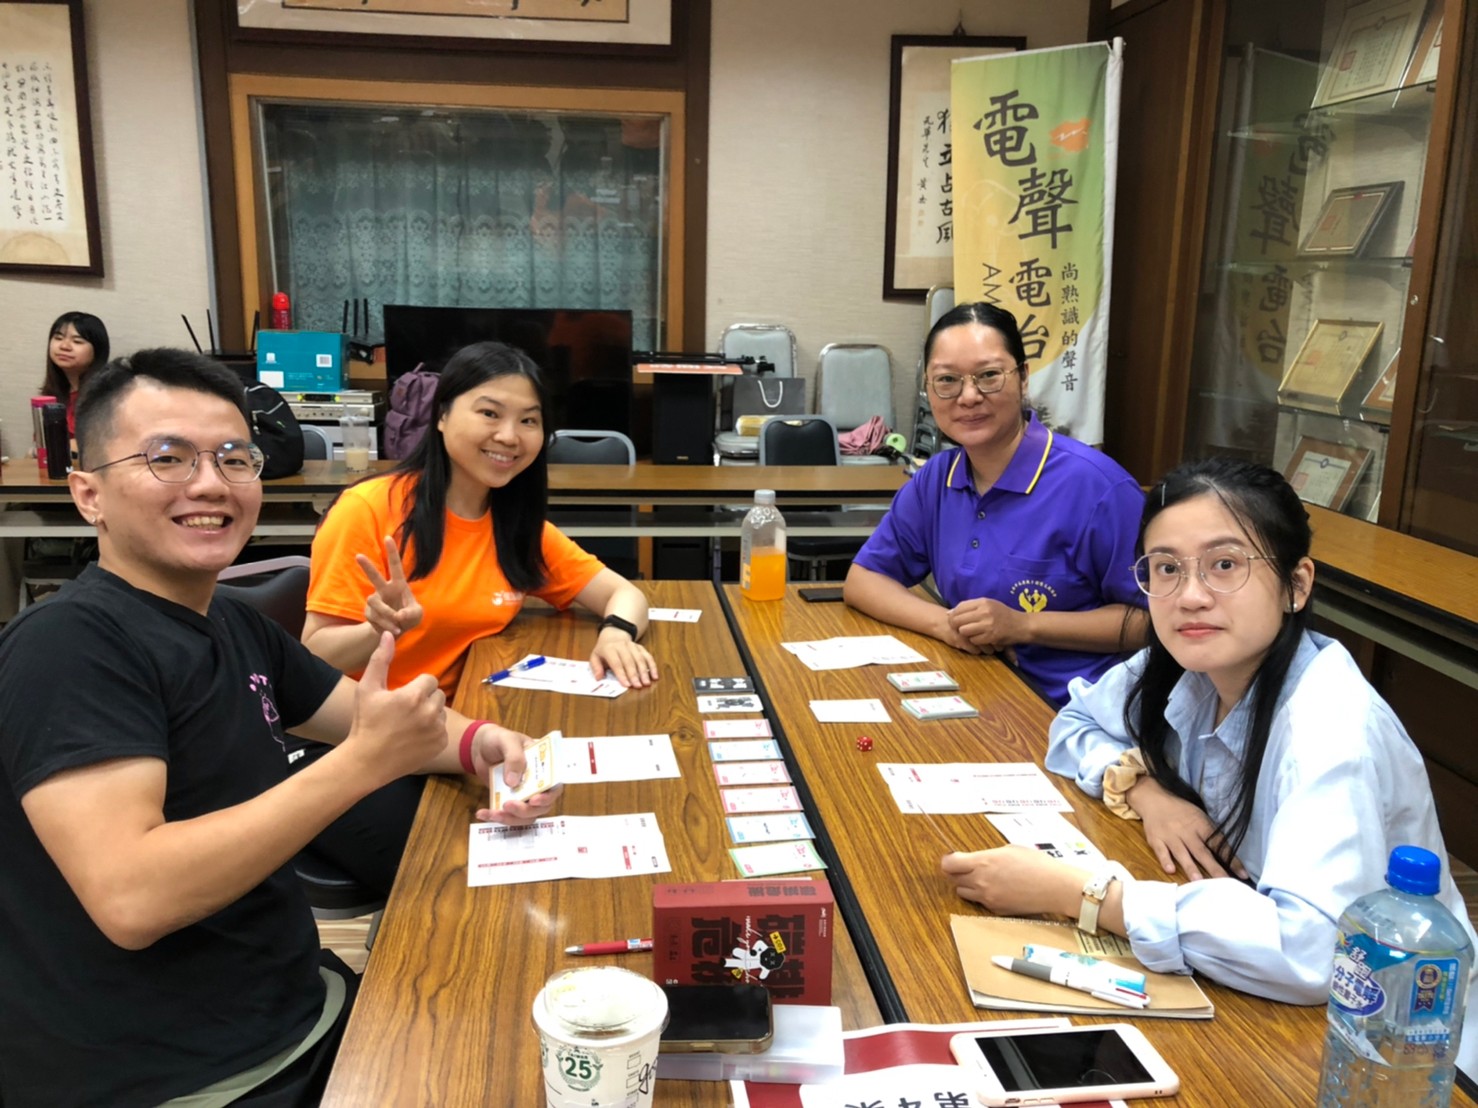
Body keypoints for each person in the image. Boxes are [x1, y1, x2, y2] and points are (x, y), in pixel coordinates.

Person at [0, 348, 556, 1107]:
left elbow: (372, 719)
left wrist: (480, 745)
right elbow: (133, 898)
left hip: (295, 1005)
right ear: (87, 493)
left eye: (234, 458)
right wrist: (362, 764)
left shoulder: (230, 622)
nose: (210, 483)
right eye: (168, 457)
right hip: (183, 1075)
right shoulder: (69, 645)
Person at [940, 457, 1477, 1065]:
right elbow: (1075, 723)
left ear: (1297, 585)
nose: (1191, 596)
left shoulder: (1331, 729)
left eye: (1225, 565)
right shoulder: (1188, 662)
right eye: (1167, 568)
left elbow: (1311, 950)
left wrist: (1084, 895)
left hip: (1394, 1046)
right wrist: (1144, 791)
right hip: (1260, 986)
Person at [300, 339, 656, 894]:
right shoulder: (370, 509)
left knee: (542, 839)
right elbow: (310, 661)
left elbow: (623, 593)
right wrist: (379, 630)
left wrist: (616, 632)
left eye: (528, 420)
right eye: (489, 413)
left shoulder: (515, 525)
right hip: (351, 743)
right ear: (442, 416)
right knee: (456, 880)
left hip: (452, 731)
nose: (510, 436)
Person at [843, 302, 1146, 704]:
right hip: (974, 689)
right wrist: (945, 624)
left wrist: (1024, 626)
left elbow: (1150, 622)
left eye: (988, 376)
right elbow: (863, 580)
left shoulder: (1099, 487)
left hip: (1070, 710)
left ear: (1023, 378)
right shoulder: (937, 478)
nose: (968, 396)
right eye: (947, 380)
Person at [40, 309, 110, 434]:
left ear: (97, 350)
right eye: (58, 338)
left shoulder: (106, 396)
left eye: (77, 341)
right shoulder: (51, 395)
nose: (64, 346)